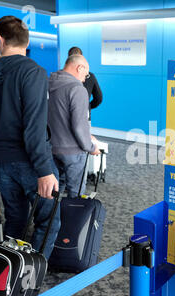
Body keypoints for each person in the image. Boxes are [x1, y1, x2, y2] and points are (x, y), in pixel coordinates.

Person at [0, 15, 60, 259]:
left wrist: (1, 147)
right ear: (27, 40)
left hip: (1, 159)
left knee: (15, 218)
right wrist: (44, 171)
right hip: (31, 162)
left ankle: (11, 274)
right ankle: (32, 277)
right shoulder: (33, 72)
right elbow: (34, 127)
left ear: (0, 40)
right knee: (49, 218)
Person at [48, 54, 100, 198]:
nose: (85, 78)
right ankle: (71, 220)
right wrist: (91, 147)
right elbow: (78, 125)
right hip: (73, 152)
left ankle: (56, 220)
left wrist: (86, 135)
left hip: (51, 148)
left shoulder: (48, 83)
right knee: (75, 195)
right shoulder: (77, 89)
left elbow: (58, 117)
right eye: (86, 73)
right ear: (79, 67)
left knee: (55, 192)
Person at [67, 47, 103, 121]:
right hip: (84, 117)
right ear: (82, 58)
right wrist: (88, 106)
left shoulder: (61, 76)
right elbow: (99, 98)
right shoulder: (90, 76)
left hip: (65, 118)